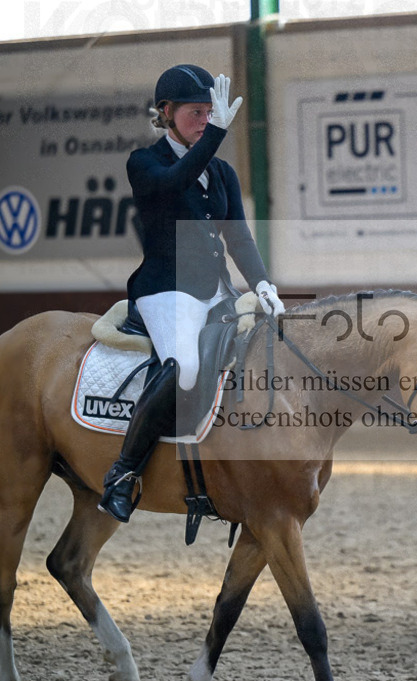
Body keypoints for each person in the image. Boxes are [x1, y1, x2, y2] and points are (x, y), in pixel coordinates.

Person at [98, 64, 285, 522]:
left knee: (259, 353)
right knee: (185, 369)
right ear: (166, 113)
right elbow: (174, 181)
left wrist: (262, 282)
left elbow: (238, 235)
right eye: (196, 112)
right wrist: (216, 136)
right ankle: (123, 475)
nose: (205, 119)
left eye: (210, 112)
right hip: (166, 290)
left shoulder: (221, 172)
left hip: (216, 288)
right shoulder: (144, 163)